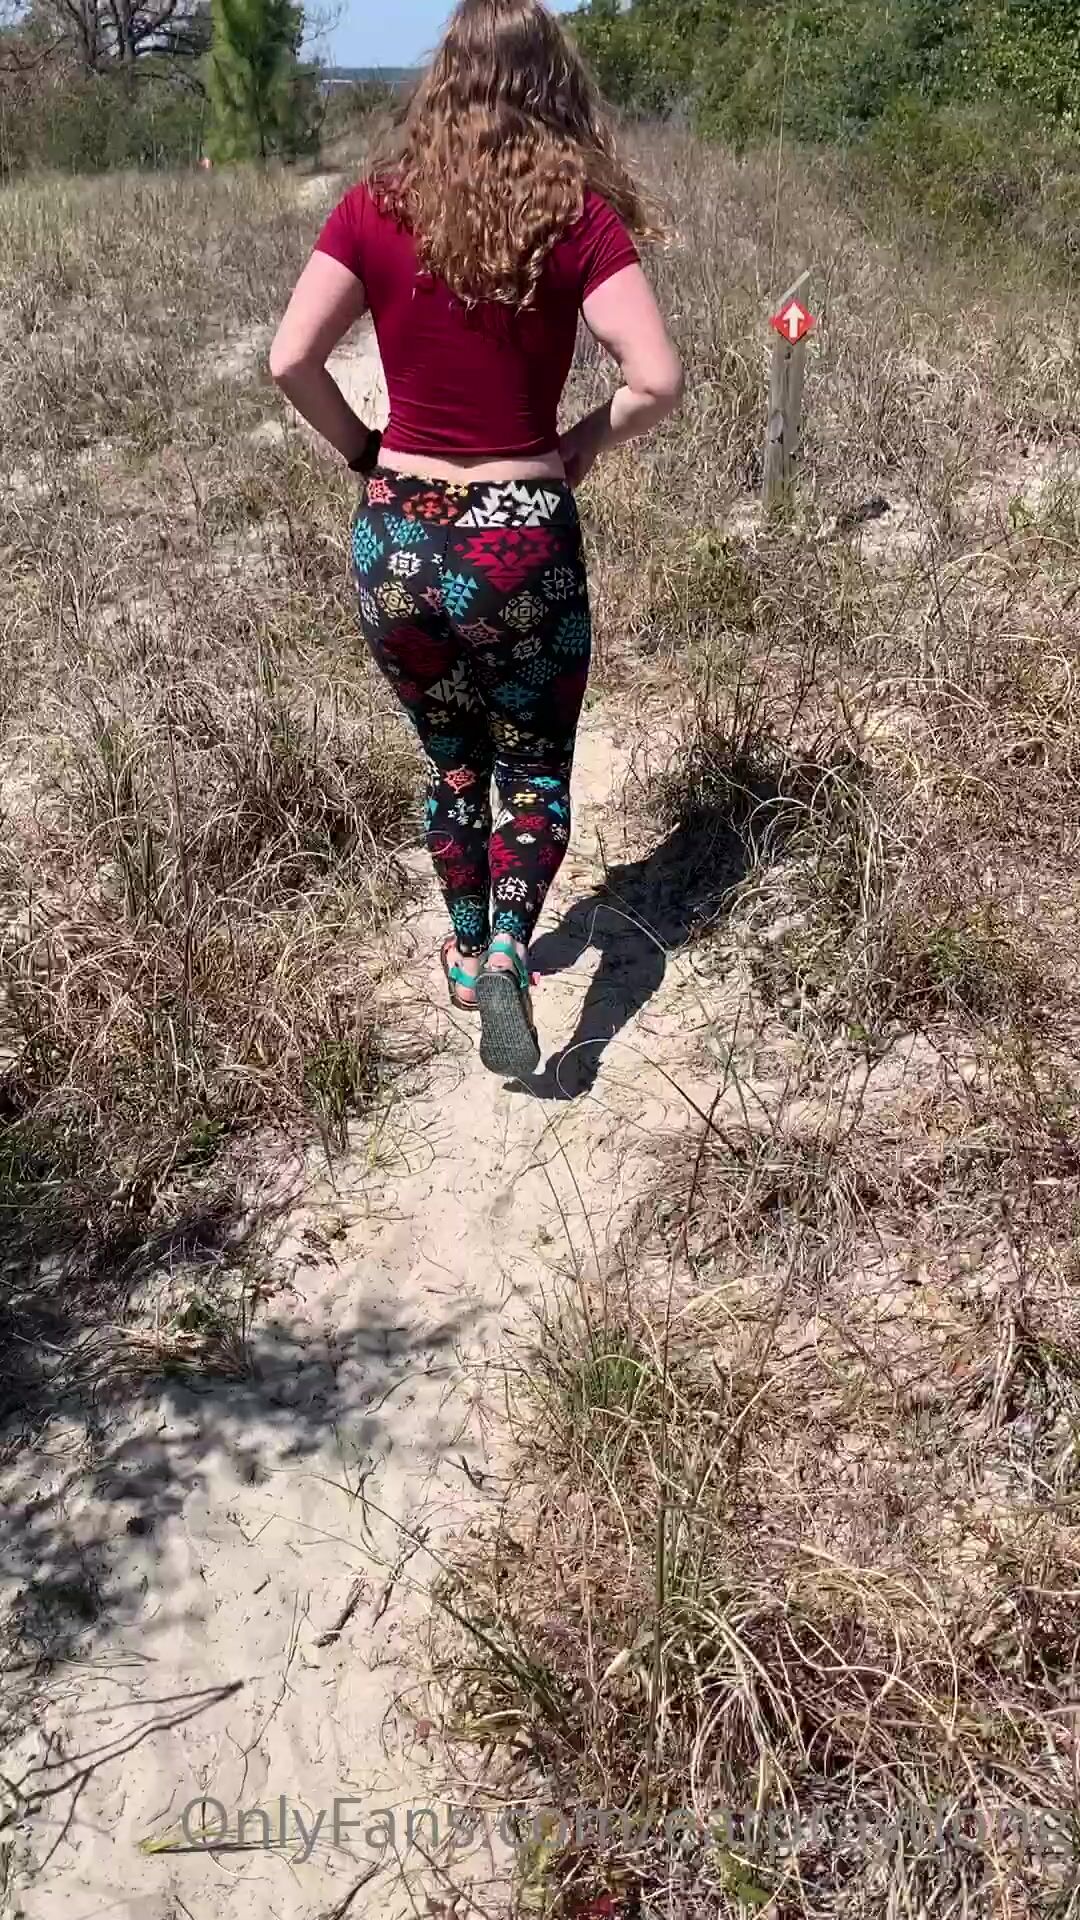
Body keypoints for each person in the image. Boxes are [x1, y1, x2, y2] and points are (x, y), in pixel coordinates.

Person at [269, 0, 682, 1081]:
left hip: (397, 539)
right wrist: (581, 441)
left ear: (444, 78)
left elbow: (289, 360)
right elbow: (656, 379)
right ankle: (508, 949)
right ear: (555, 83)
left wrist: (366, 454)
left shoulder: (374, 205)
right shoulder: (579, 218)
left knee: (453, 761)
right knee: (533, 769)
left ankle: (461, 953)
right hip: (519, 541)